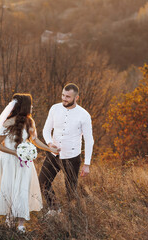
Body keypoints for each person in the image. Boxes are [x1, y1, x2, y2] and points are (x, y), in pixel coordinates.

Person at [0, 93, 59, 233]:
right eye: (30, 104)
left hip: (24, 163)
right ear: (25, 106)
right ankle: (9, 218)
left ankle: (21, 223)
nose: (32, 107)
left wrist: (50, 149)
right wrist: (14, 152)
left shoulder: (30, 122)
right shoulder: (7, 122)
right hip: (8, 161)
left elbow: (35, 140)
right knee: (9, 188)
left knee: (22, 189)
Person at [39, 83, 94, 215]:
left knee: (70, 190)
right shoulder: (54, 108)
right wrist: (49, 143)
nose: (64, 98)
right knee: (42, 182)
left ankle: (72, 216)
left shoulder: (84, 115)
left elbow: (89, 140)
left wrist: (87, 164)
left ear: (77, 98)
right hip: (53, 155)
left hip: (72, 157)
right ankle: (54, 208)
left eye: (68, 97)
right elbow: (46, 130)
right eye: (63, 95)